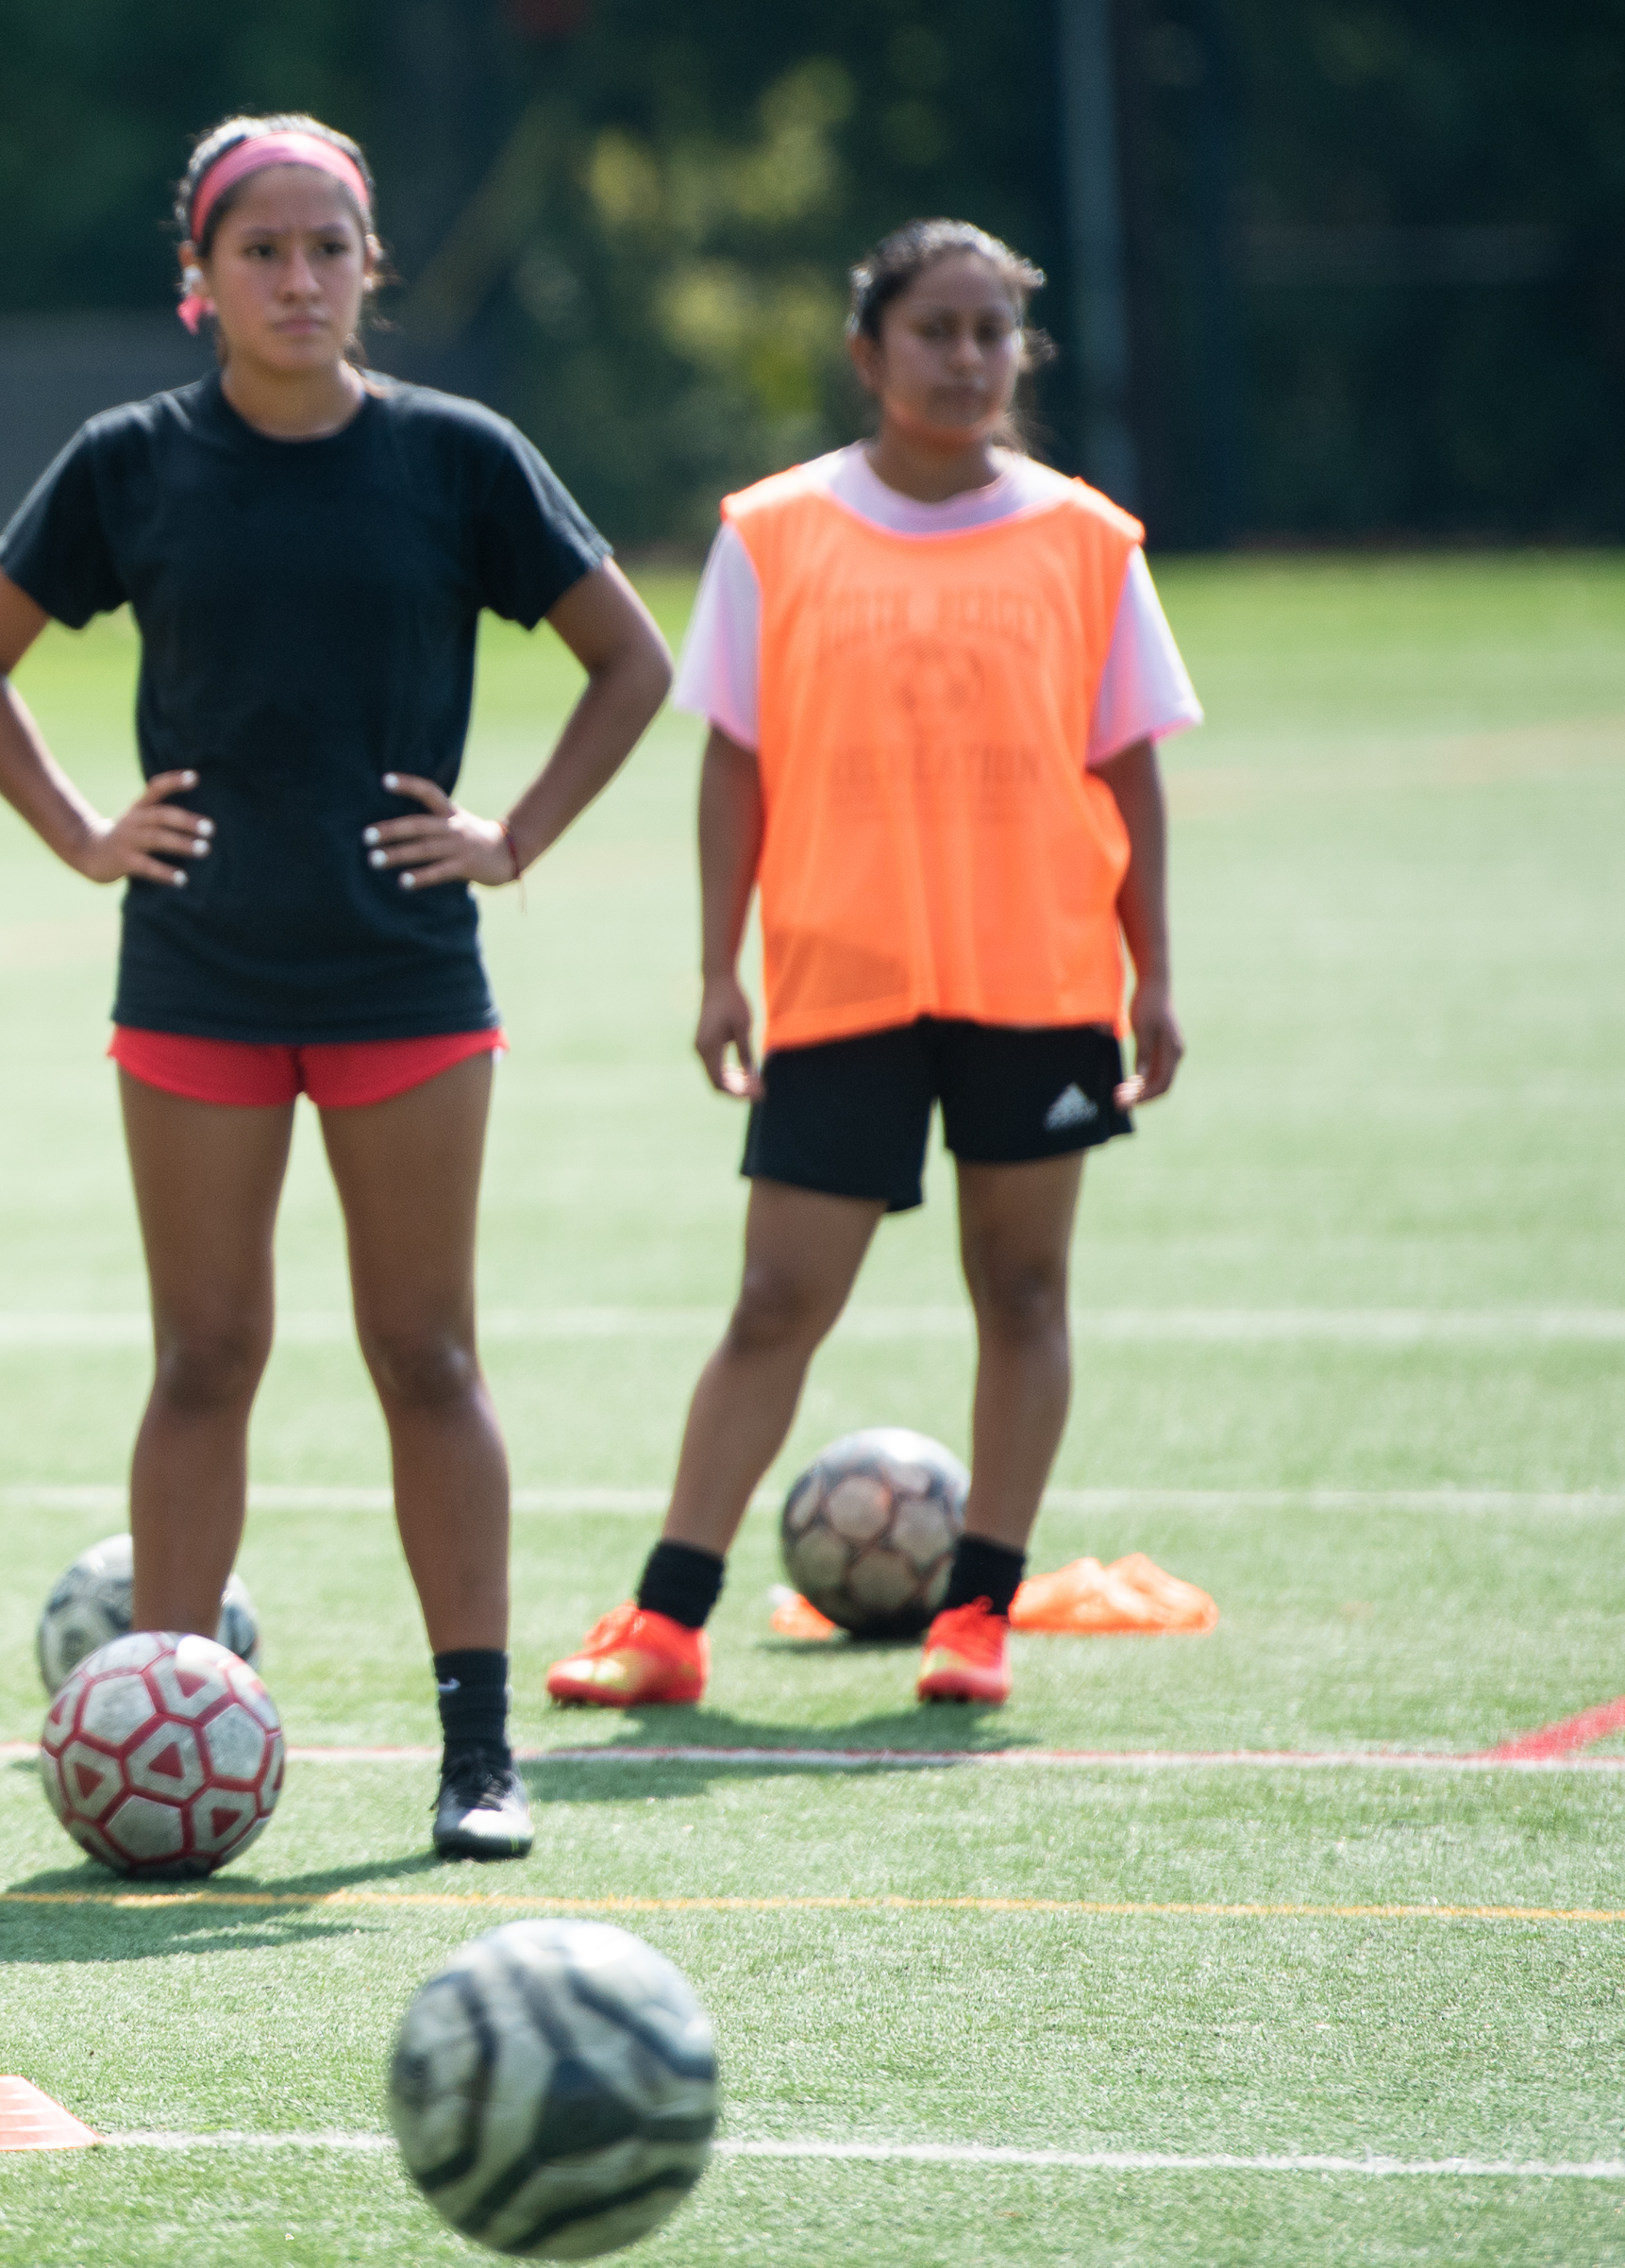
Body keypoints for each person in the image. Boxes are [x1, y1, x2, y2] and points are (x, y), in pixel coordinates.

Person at [0, 114, 672, 1861]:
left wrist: (515, 836)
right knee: (206, 1355)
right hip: (194, 965)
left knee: (425, 1350)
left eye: (329, 247)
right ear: (201, 279)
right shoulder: (131, 462)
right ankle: (160, 1729)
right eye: (260, 248)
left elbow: (630, 661)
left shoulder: (459, 458)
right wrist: (79, 835)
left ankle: (478, 1752)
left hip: (406, 969)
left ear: (370, 270)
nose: (298, 278)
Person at [544, 218, 1194, 1717]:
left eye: (994, 332)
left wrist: (1152, 975)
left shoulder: (1086, 541)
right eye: (937, 330)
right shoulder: (776, 532)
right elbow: (733, 765)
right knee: (777, 1299)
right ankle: (668, 1620)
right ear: (868, 352)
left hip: (1039, 980)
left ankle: (978, 1615)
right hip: (842, 980)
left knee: (1022, 1290)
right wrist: (718, 968)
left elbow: (1131, 772)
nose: (969, 359)